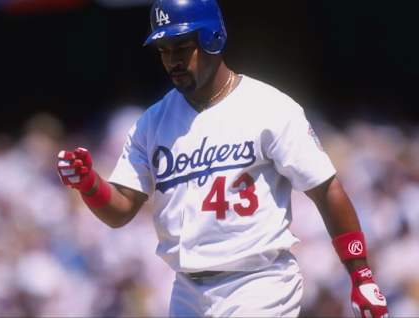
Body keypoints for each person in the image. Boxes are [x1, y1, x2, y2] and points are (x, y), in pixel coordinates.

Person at [57, 0, 389, 316]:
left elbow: (326, 189)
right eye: (164, 50)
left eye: (181, 47)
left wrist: (360, 274)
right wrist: (89, 184)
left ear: (212, 38)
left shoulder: (268, 107)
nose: (172, 60)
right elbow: (120, 210)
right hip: (186, 288)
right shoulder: (152, 123)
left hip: (258, 281)